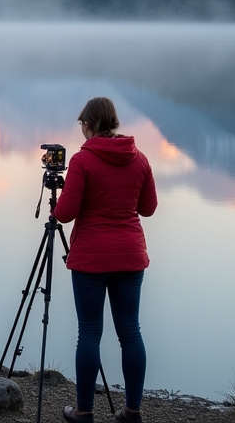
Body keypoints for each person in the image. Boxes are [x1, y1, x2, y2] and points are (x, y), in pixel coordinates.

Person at [54, 97, 158, 423]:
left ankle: (84, 411)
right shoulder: (139, 158)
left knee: (89, 332)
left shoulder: (83, 160)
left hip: (91, 259)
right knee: (130, 332)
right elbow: (148, 208)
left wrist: (55, 203)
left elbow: (65, 213)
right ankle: (132, 411)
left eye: (82, 125)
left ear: (89, 124)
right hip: (130, 256)